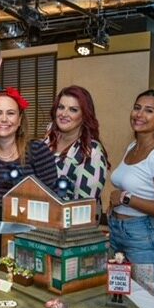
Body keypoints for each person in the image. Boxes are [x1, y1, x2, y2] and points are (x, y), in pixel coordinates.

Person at [108, 89, 154, 308]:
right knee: (120, 295)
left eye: (149, 111)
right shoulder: (132, 146)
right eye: (137, 108)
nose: (139, 114)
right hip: (117, 231)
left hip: (143, 237)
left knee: (150, 302)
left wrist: (125, 199)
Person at [0, 87, 57, 260]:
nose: (4, 119)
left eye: (10, 113)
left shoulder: (37, 151)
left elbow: (53, 200)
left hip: (31, 235)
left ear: (19, 119)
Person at [44, 85, 109, 213]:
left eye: (73, 110)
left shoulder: (90, 152)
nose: (64, 114)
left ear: (84, 115)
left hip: (70, 228)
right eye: (61, 107)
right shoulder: (47, 142)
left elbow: (84, 209)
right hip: (38, 222)